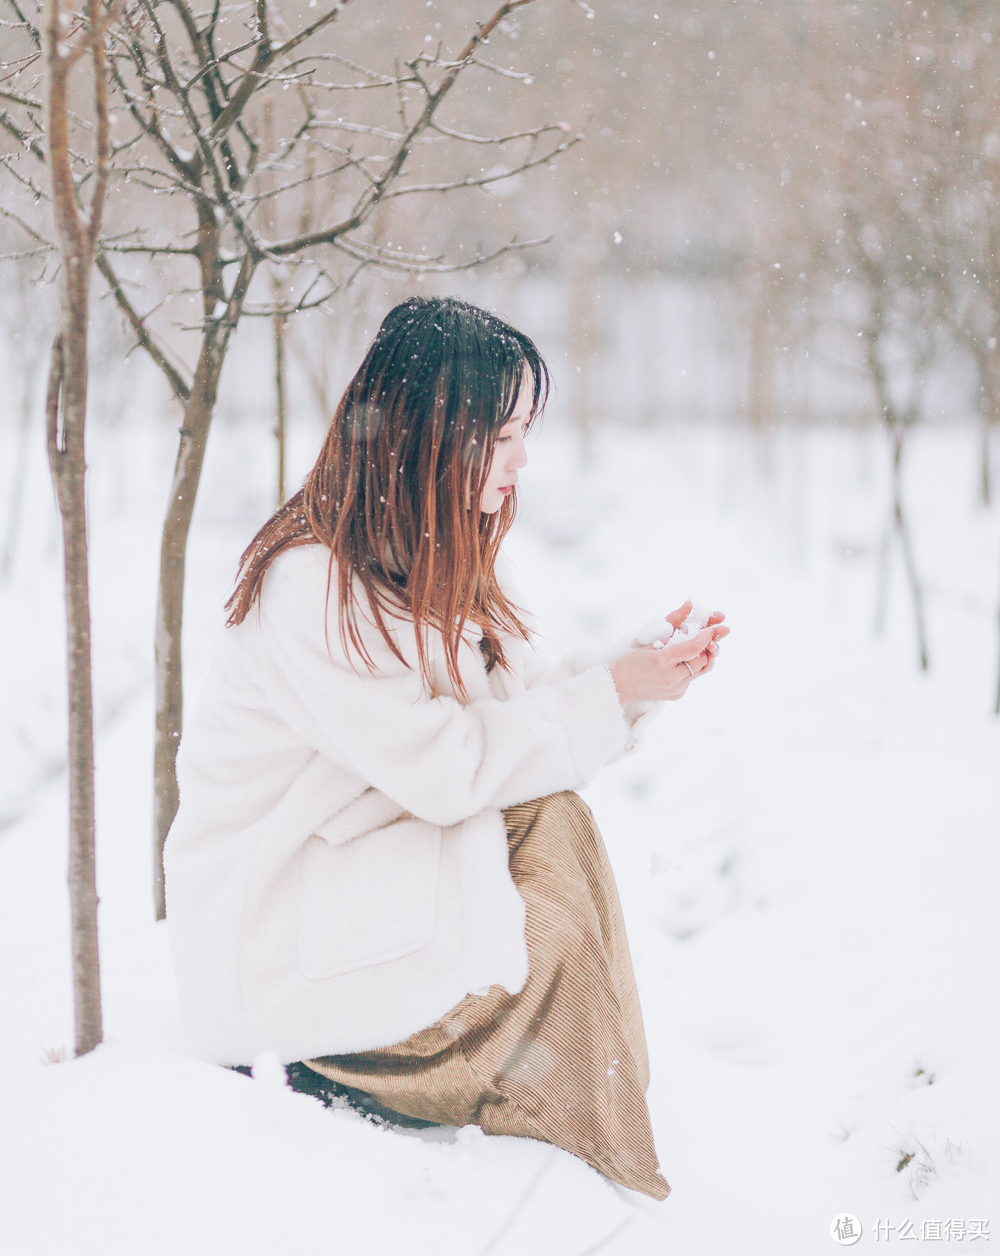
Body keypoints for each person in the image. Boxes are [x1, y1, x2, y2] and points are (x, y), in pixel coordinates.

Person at [164, 296, 729, 1201]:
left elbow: (514, 703)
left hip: (362, 877)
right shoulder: (313, 583)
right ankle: (563, 1145)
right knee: (544, 853)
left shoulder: (413, 554)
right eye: (503, 437)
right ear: (438, 438)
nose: (521, 461)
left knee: (555, 826)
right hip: (279, 944)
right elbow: (449, 767)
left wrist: (633, 672)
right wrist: (613, 693)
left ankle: (587, 1123)